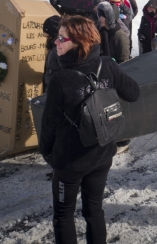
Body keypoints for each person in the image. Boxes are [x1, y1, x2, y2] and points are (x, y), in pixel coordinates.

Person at [39, 15, 140, 244]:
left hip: (69, 163)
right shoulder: (108, 65)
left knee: (64, 215)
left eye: (61, 39)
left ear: (80, 42)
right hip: (103, 153)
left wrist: (48, 155)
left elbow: (49, 125)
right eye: (57, 38)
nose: (56, 42)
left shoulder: (61, 79)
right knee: (94, 210)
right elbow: (133, 93)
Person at [42, 15, 61, 92]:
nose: (46, 37)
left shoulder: (58, 48)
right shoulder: (53, 47)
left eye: (46, 34)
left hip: (54, 91)